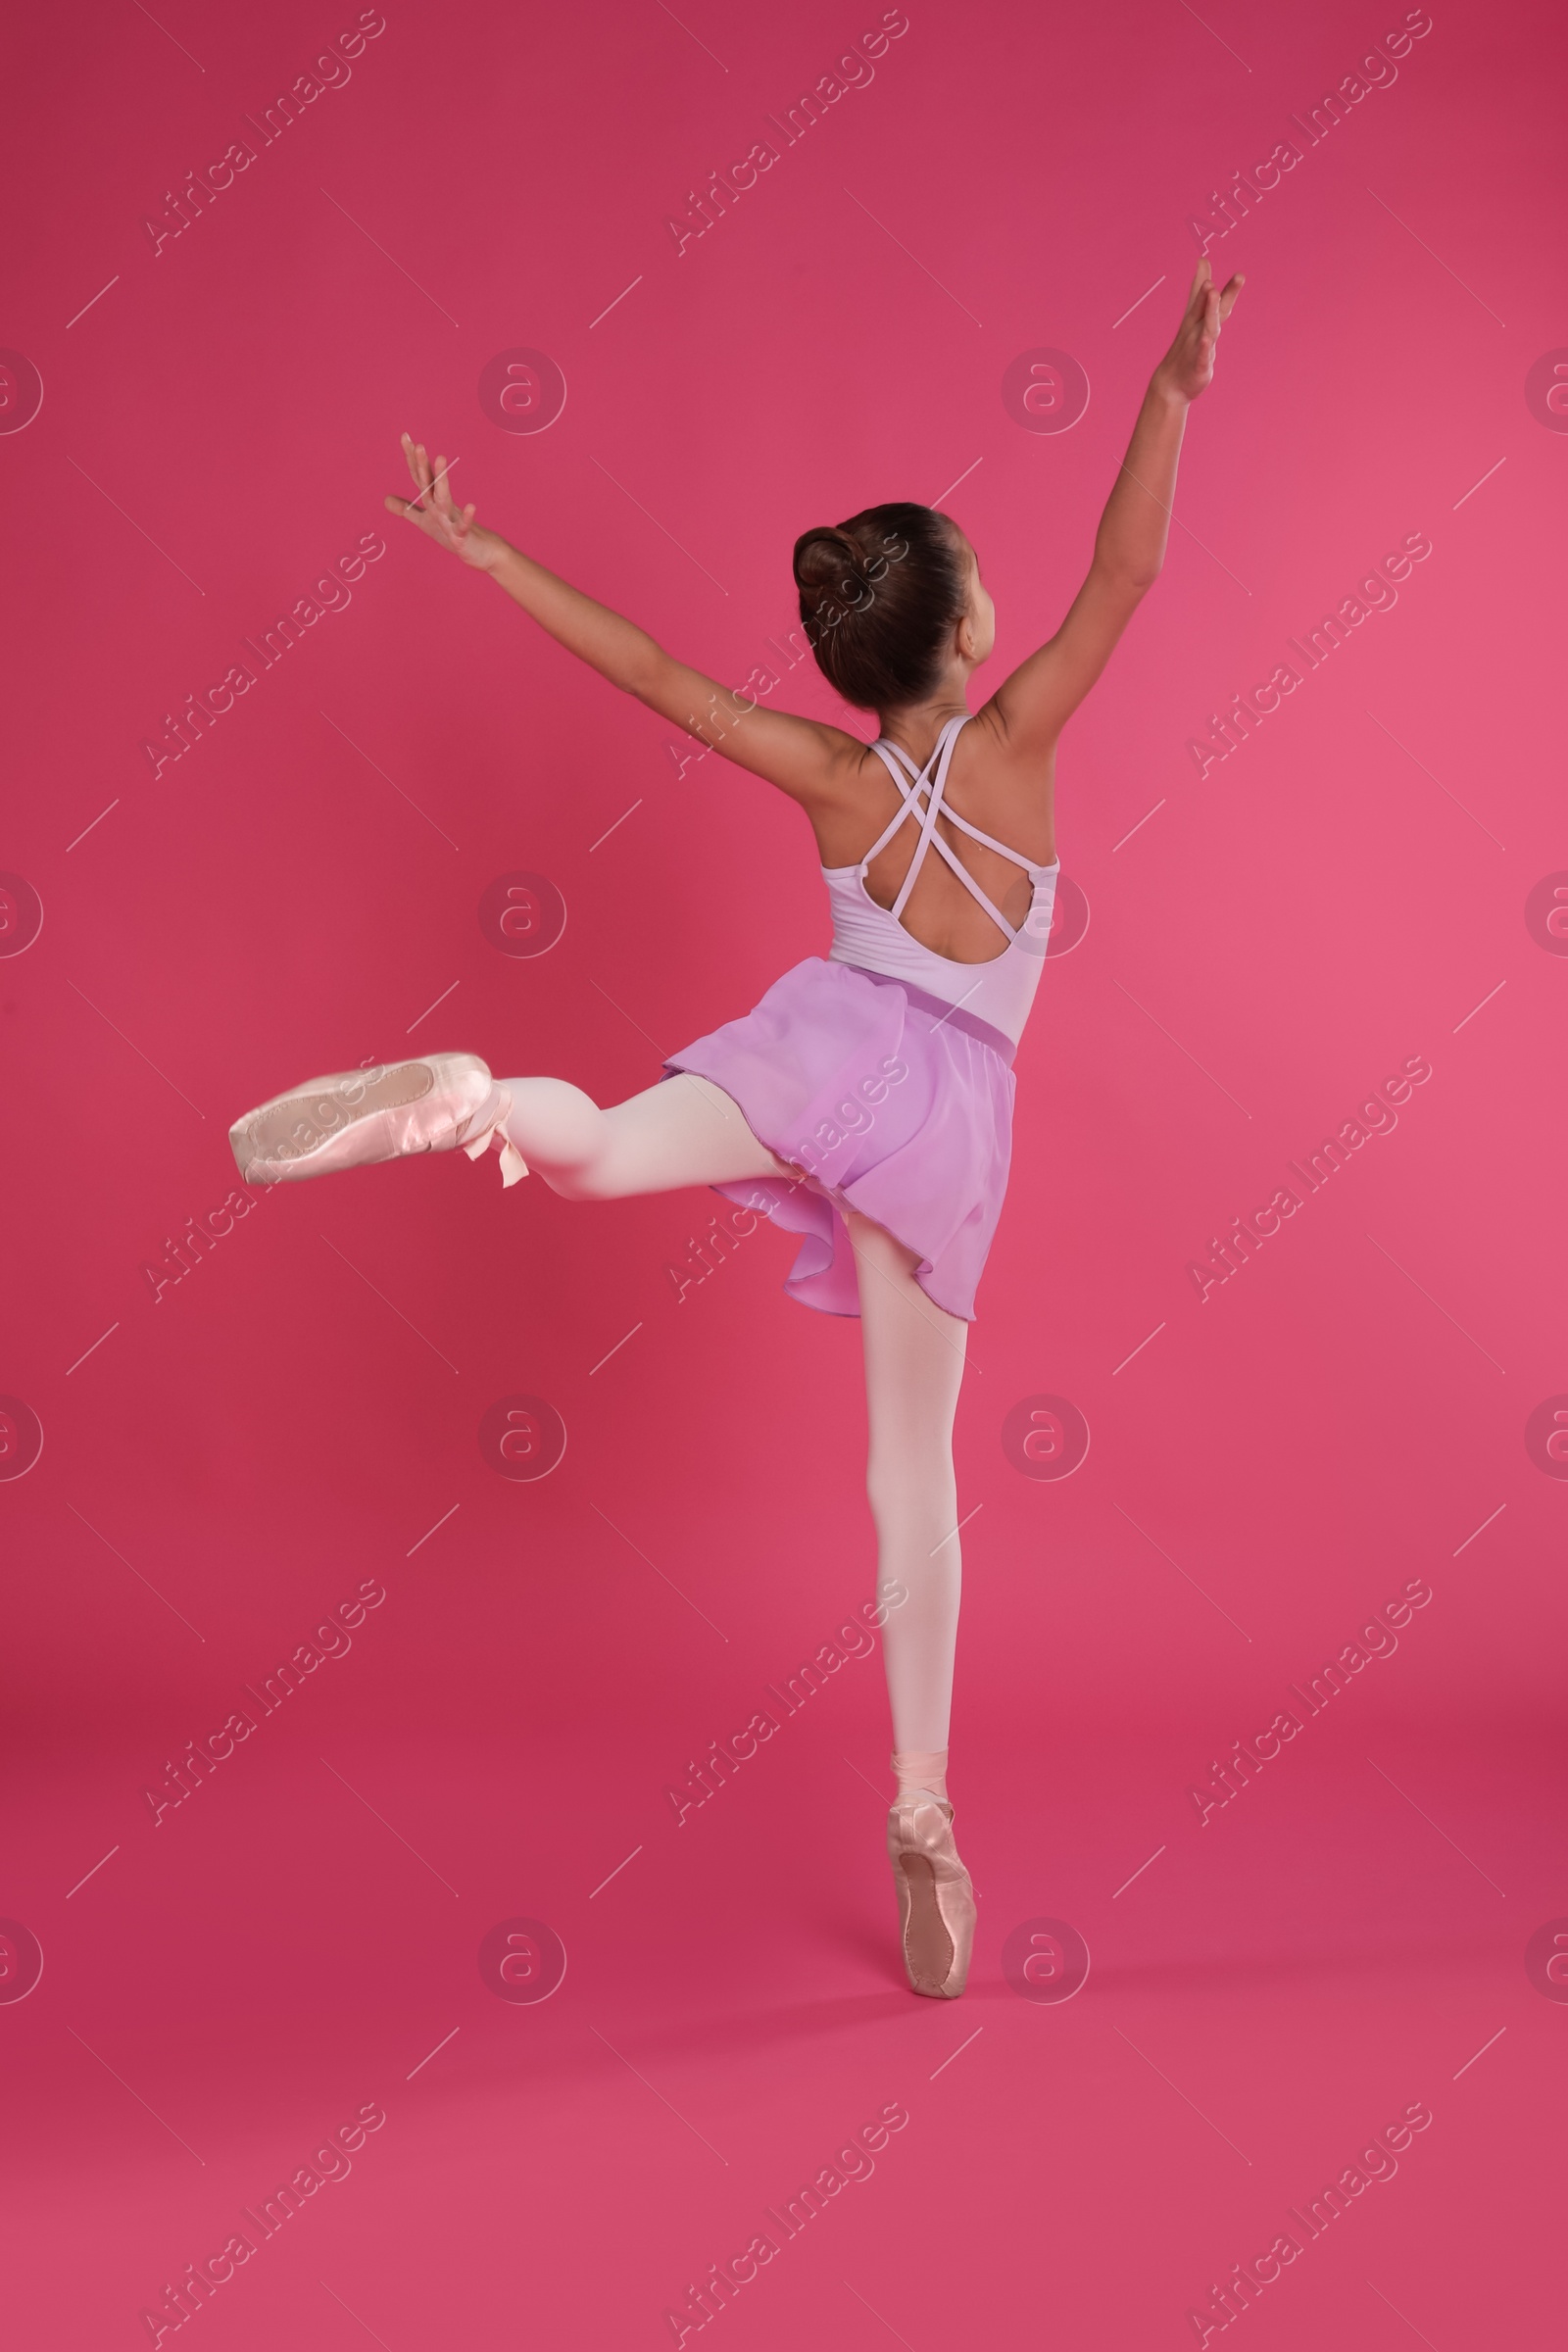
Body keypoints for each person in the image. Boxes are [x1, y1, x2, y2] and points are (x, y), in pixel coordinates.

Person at [229, 259, 1244, 1999]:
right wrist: (1165, 395)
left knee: (609, 1141)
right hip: (942, 1124)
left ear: (862, 655)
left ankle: (475, 1095)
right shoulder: (1021, 742)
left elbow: (650, 674)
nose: (1007, 594)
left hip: (816, 1042)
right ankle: (925, 1816)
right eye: (986, 578)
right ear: (967, 636)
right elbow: (1128, 573)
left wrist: (487, 555)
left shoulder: (831, 776)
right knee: (903, 1476)